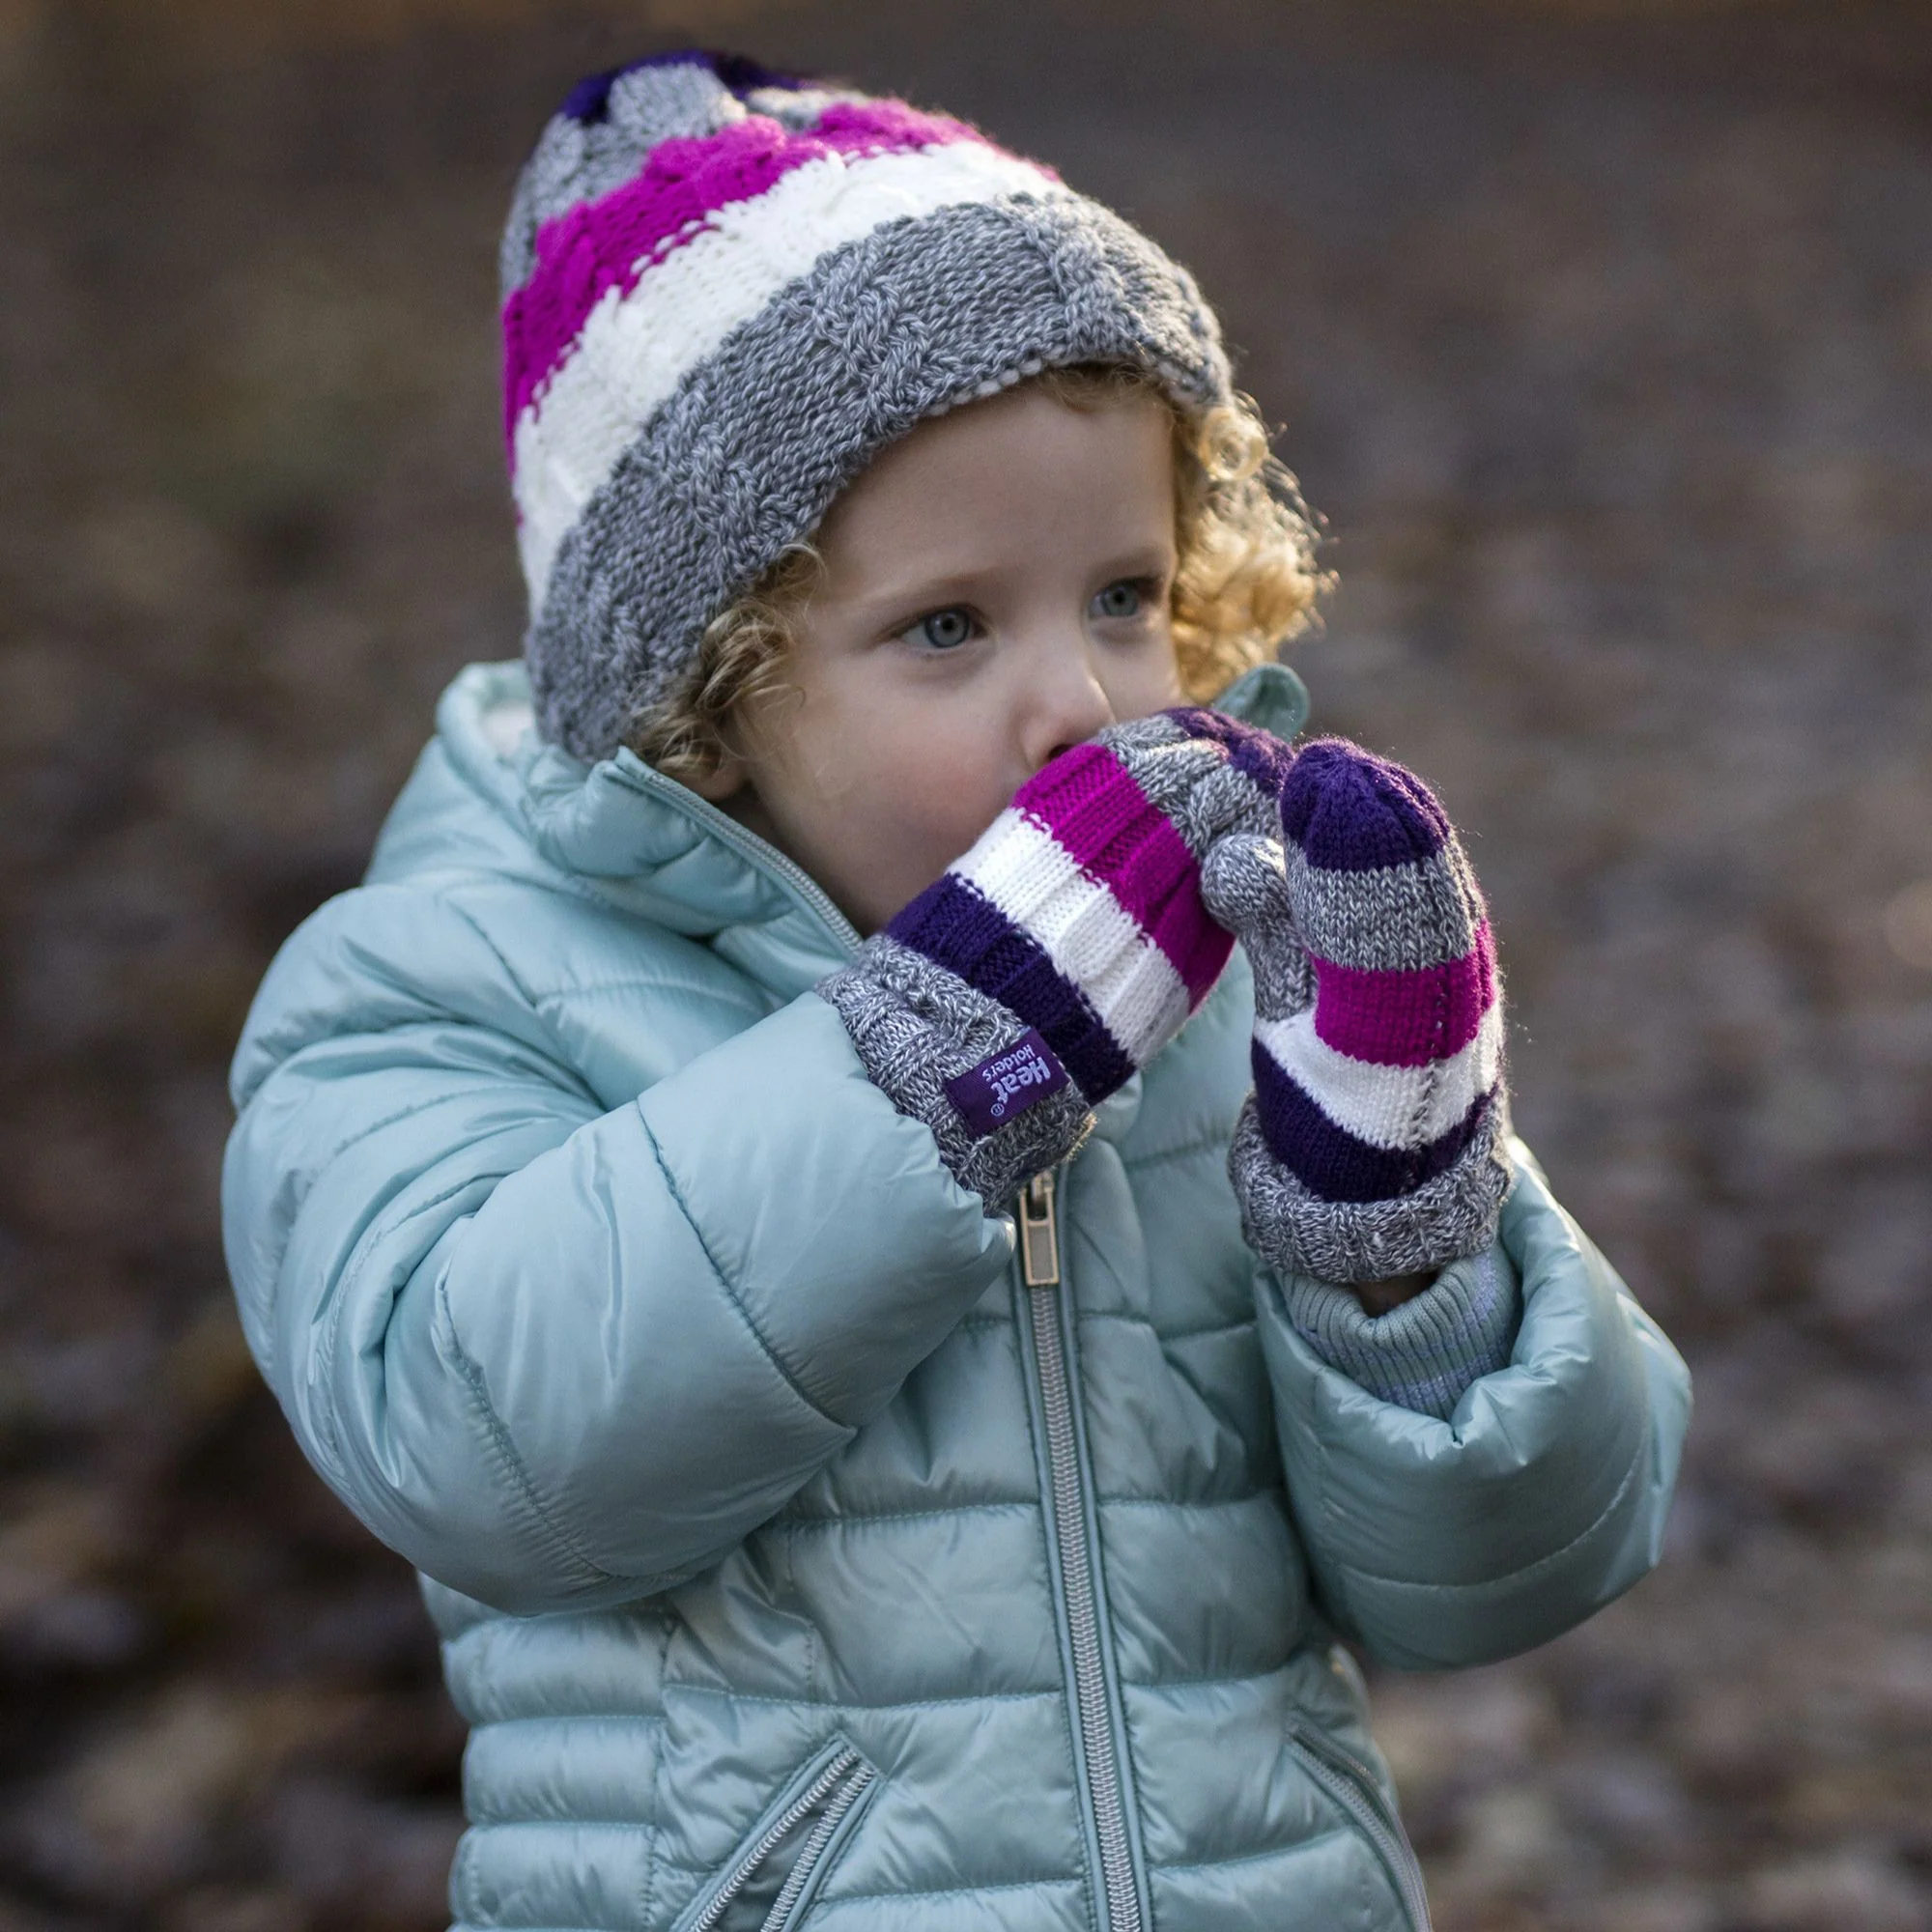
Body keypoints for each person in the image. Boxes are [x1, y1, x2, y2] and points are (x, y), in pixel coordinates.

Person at [221, 50, 1690, 1932]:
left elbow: (1496, 1576)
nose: (1080, 703)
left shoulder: (1215, 988)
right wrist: (933, 1064)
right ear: (708, 678)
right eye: (945, 625)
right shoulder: (442, 981)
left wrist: (1400, 1250)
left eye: (1124, 594)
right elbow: (484, 1443)